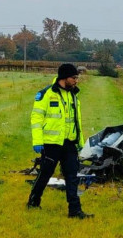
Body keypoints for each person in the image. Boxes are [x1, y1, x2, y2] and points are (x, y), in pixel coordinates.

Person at [27, 63, 89, 219]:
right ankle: (33, 202)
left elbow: (76, 121)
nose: (76, 80)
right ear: (64, 78)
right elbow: (36, 118)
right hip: (51, 143)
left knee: (72, 176)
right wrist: (37, 141)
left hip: (69, 143)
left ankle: (75, 210)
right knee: (45, 174)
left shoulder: (74, 95)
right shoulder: (46, 94)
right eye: (73, 78)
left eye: (77, 77)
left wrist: (79, 141)